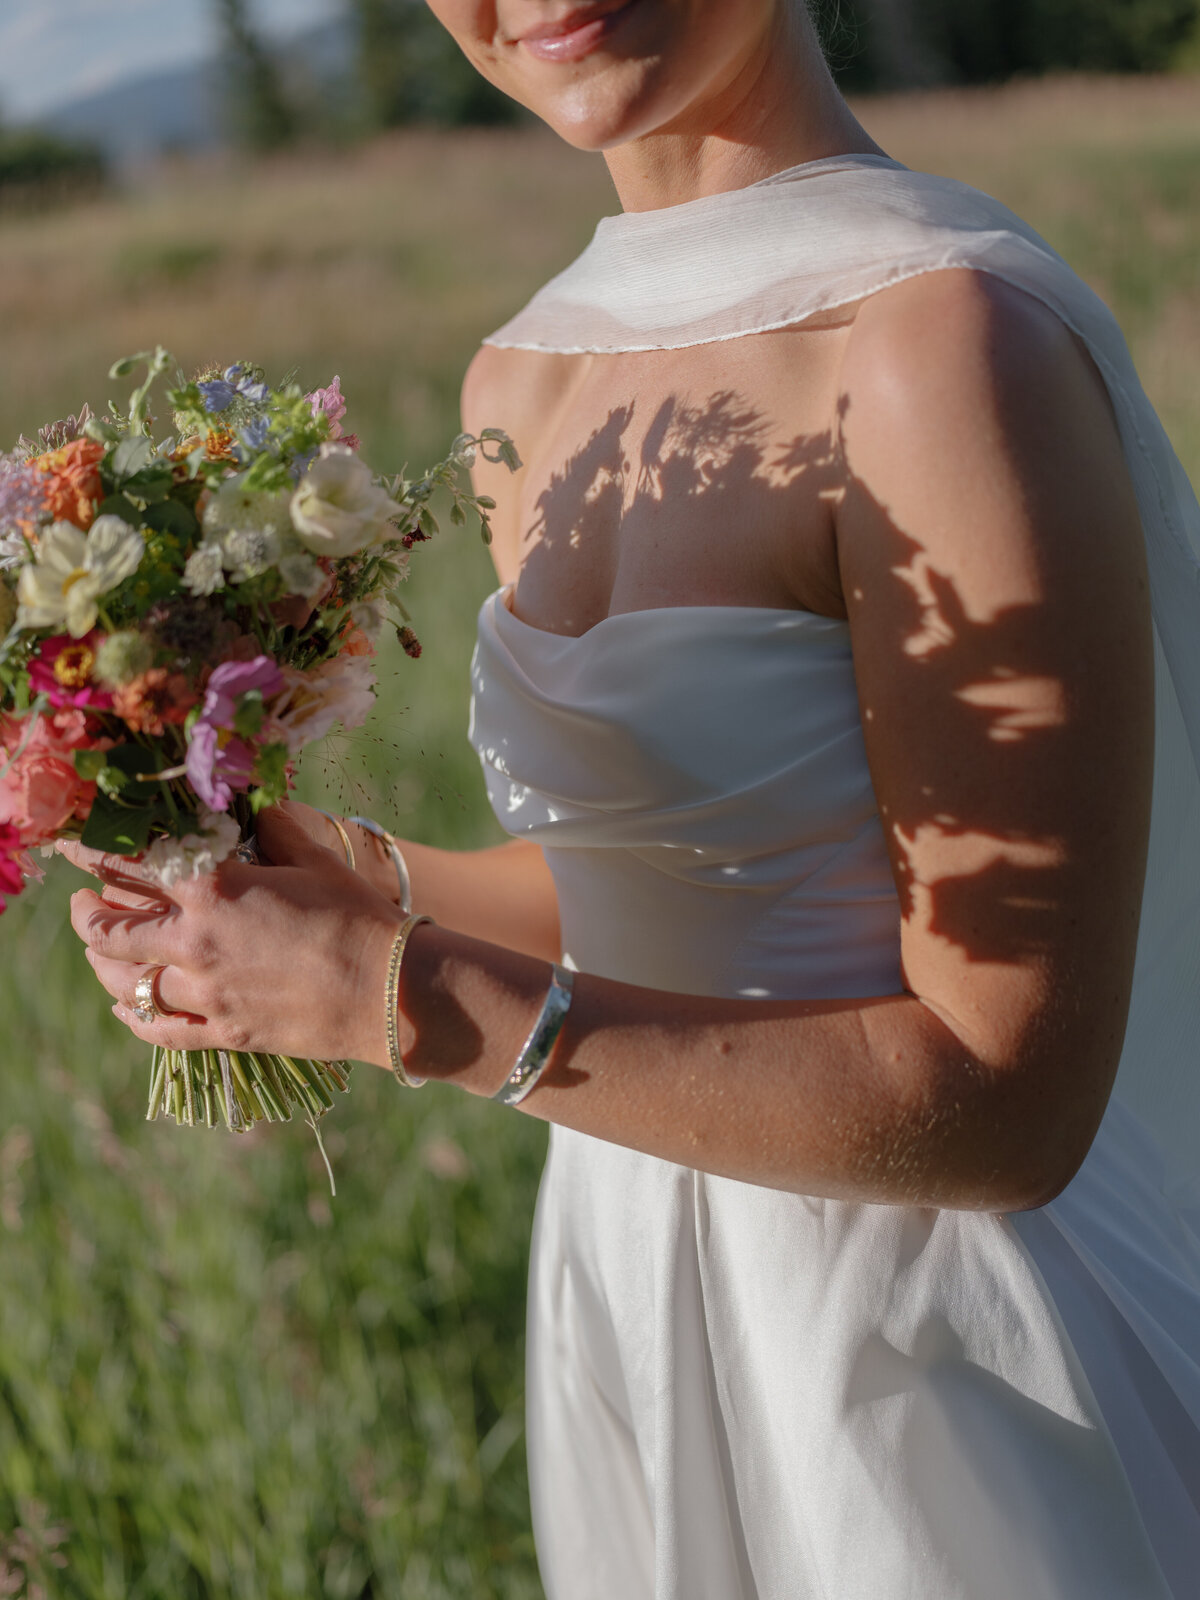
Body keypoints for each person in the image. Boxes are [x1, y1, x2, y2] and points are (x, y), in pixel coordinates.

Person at [63, 3, 1200, 1595]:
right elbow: (660, 892)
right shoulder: (523, 379)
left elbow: (1010, 1105)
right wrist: (343, 893)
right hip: (643, 1291)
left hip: (928, 1351)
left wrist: (398, 1001)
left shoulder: (944, 350)